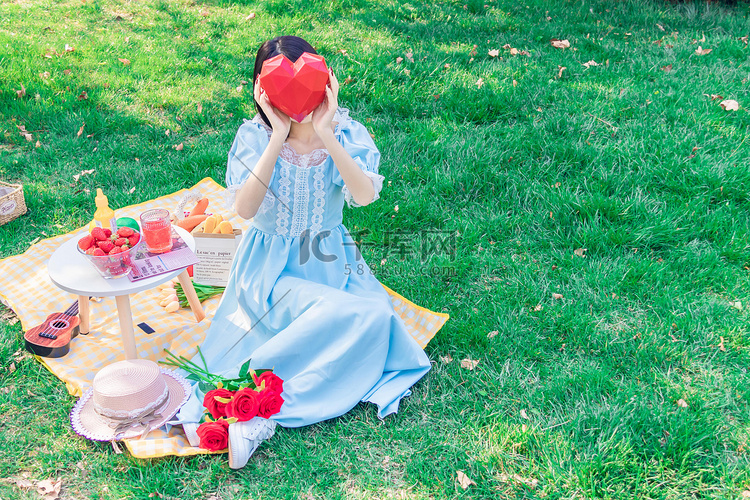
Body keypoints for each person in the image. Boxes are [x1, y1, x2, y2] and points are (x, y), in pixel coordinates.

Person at [172, 36, 433, 468]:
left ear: (325, 82)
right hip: (271, 271)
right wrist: (277, 136)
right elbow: (245, 208)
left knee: (375, 322)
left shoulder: (345, 131)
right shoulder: (255, 137)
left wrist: (326, 134)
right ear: (262, 90)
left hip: (332, 261)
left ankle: (264, 410)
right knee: (363, 320)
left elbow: (364, 196)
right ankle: (259, 411)